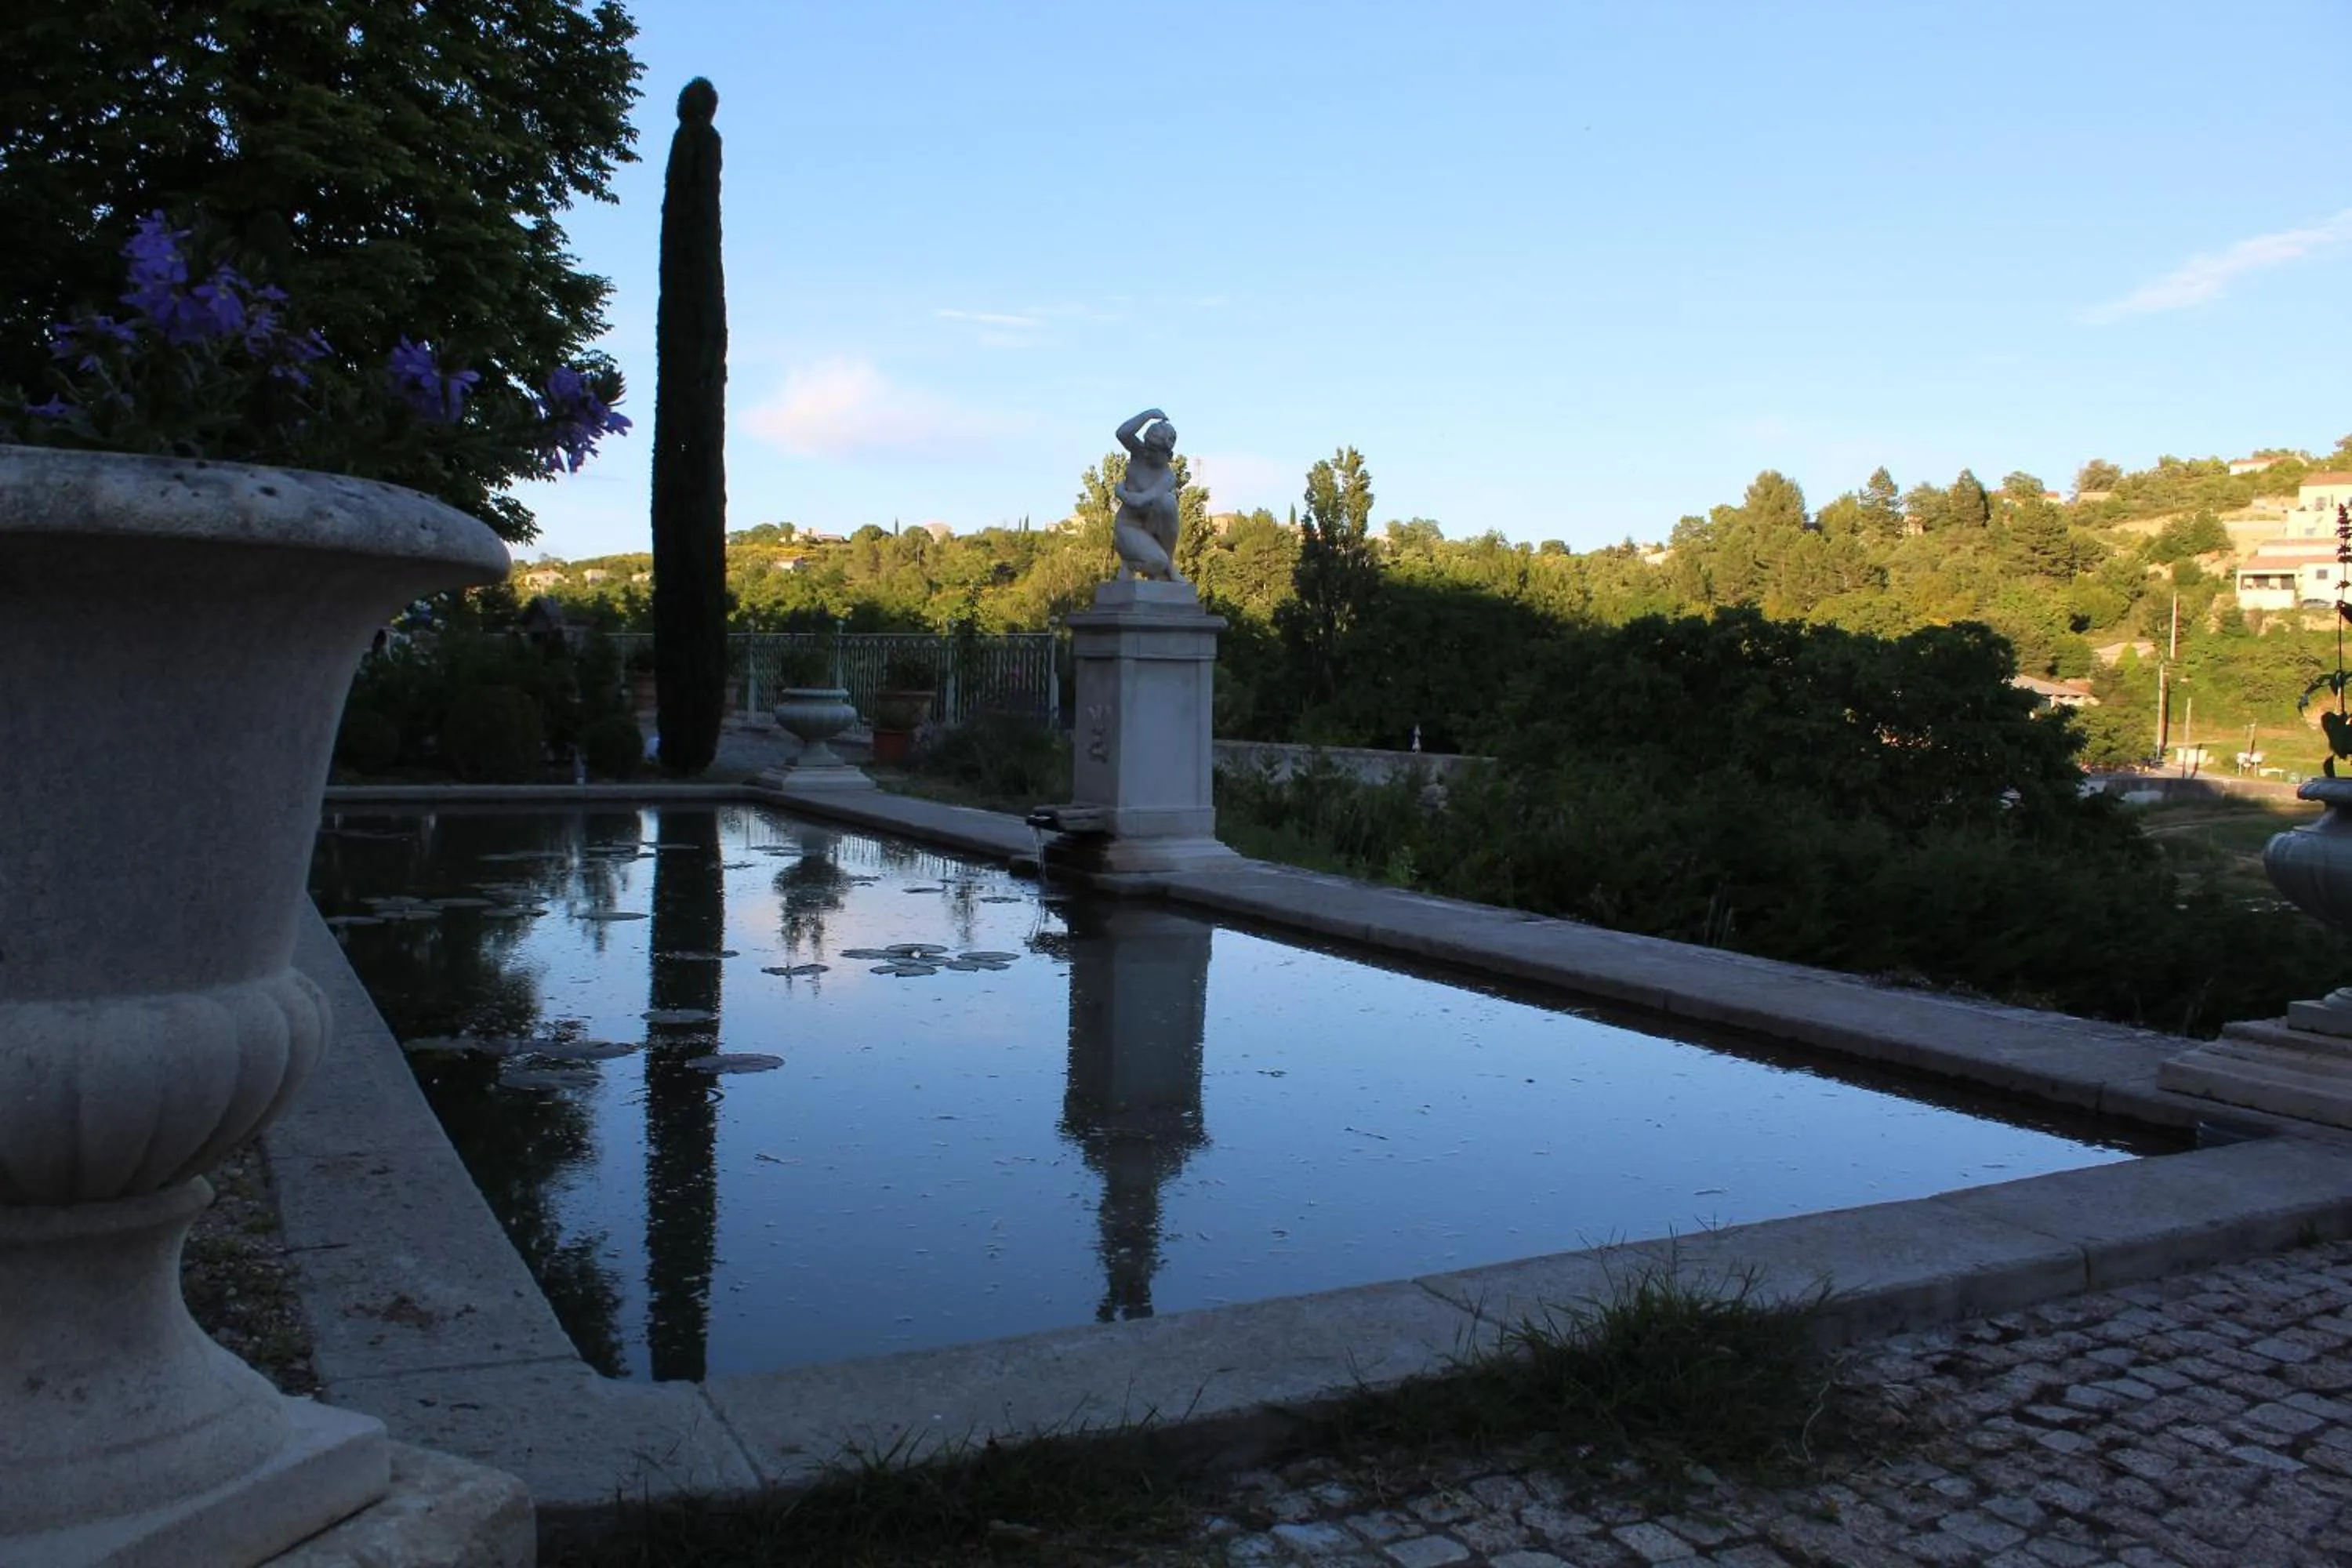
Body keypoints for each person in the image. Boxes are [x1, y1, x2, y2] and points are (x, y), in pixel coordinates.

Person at [1111, 408, 1181, 581]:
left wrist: (1119, 491)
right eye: (1147, 448)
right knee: (1158, 563)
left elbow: (1139, 501)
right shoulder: (1139, 454)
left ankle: (1169, 564)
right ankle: (1130, 564)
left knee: (1168, 502)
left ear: (1168, 455)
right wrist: (1148, 415)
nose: (1147, 453)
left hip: (1152, 530)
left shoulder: (1167, 478)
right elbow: (1122, 433)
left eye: (1153, 450)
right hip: (1128, 527)